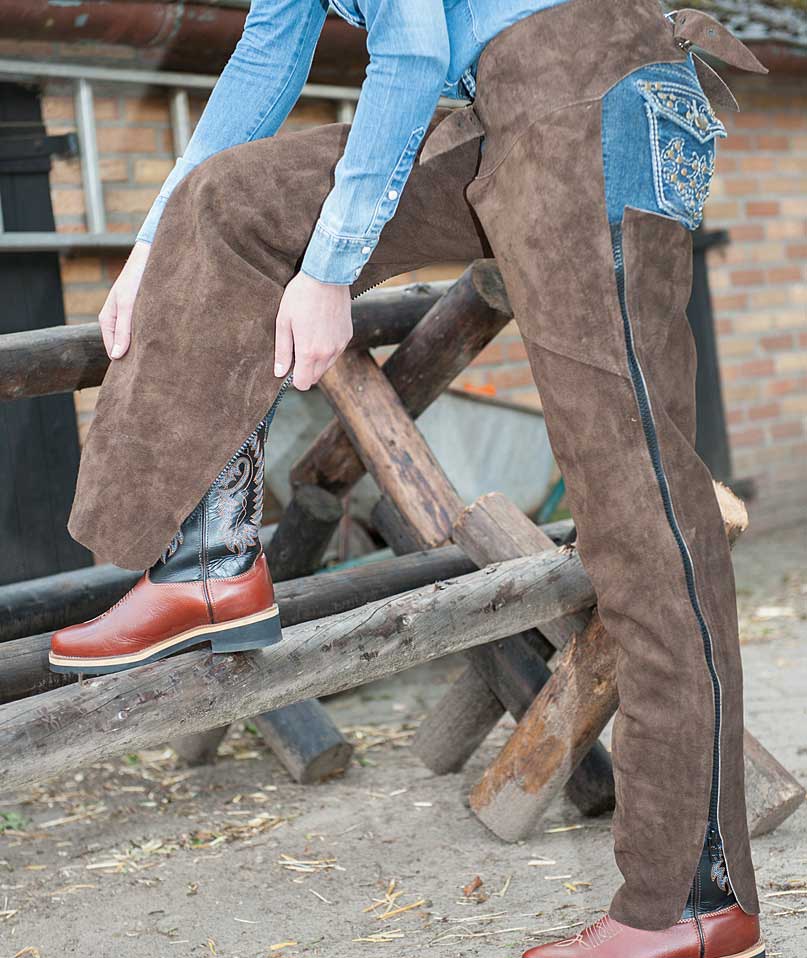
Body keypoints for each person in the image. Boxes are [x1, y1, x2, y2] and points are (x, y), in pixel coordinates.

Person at [48, 1, 769, 955]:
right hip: (496, 110)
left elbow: (414, 48)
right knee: (229, 203)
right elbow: (264, 64)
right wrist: (152, 248)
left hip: (597, 97)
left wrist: (332, 267)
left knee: (640, 510)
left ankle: (692, 899)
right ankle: (210, 558)